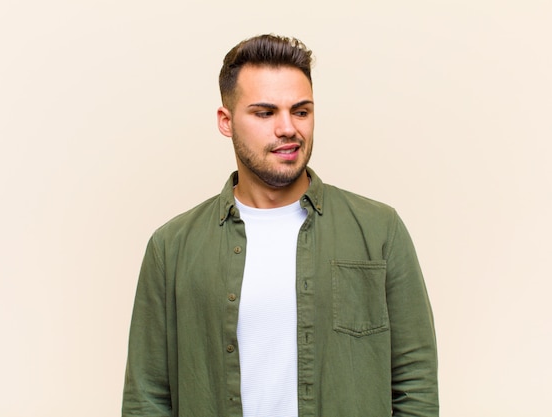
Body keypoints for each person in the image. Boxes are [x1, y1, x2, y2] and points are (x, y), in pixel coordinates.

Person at [122, 34, 438, 417]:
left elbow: (415, 380)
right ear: (226, 121)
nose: (288, 128)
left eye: (301, 111)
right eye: (265, 113)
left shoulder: (379, 230)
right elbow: (147, 396)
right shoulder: (171, 248)